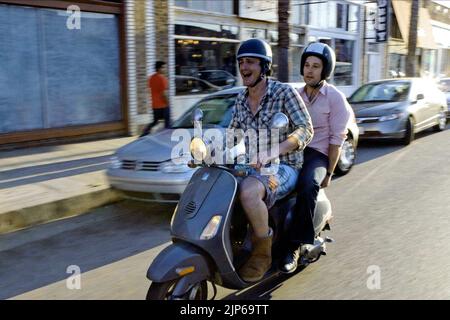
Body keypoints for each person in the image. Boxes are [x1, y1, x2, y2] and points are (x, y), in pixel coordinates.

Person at [228, 38, 313, 282]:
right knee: (222, 185)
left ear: (264, 66)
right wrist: (205, 151)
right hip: (253, 166)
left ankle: (262, 254)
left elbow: (305, 129)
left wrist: (274, 150)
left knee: (248, 191)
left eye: (250, 62)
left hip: (285, 166)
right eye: (241, 62)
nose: (244, 67)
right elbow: (231, 137)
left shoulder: (283, 92)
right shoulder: (241, 100)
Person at [280, 42, 352, 273]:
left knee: (308, 184)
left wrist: (329, 173)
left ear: (325, 70)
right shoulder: (294, 95)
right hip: (293, 150)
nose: (309, 70)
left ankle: (295, 246)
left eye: (316, 66)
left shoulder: (336, 98)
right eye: (307, 65)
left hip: (317, 154)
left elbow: (336, 139)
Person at [140, 61, 170, 137]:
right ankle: (167, 137)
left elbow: (150, 89)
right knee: (167, 123)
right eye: (163, 67)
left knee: (155, 122)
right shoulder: (163, 79)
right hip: (163, 105)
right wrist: (168, 103)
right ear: (159, 68)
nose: (165, 69)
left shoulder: (151, 78)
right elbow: (163, 94)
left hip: (154, 105)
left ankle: (144, 133)